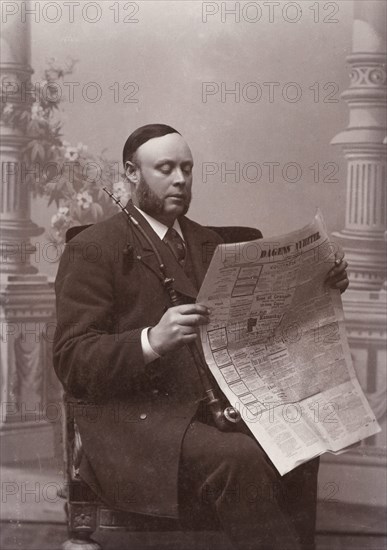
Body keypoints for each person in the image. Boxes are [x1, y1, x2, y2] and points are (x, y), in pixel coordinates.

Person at [53, 124, 349, 550]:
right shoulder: (93, 248)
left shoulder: (214, 246)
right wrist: (152, 339)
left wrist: (322, 283)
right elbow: (72, 361)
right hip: (133, 421)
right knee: (239, 458)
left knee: (301, 442)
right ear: (131, 173)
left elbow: (270, 322)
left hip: (212, 408)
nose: (180, 179)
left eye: (187, 168)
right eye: (166, 168)